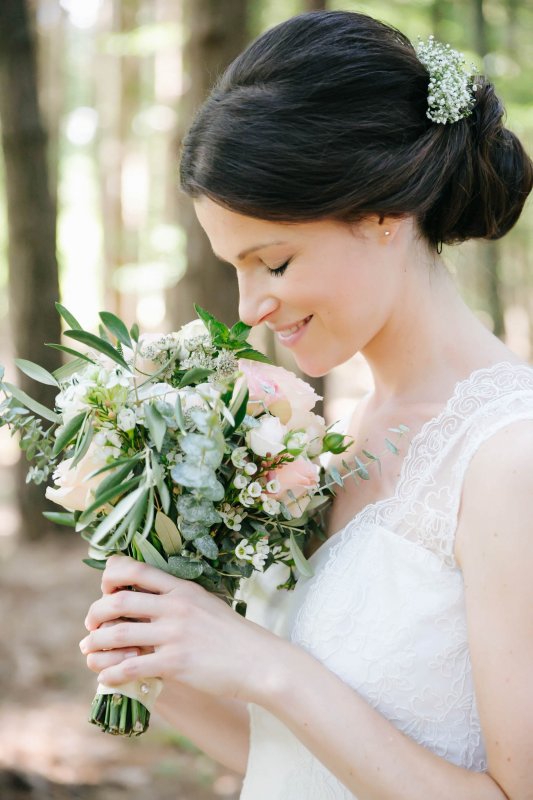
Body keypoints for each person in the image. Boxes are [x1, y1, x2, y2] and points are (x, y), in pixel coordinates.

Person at [79, 11, 533, 799]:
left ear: (382, 212)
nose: (251, 306)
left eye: (274, 263)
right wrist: (163, 661)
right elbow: (294, 757)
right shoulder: (335, 436)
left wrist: (266, 665)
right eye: (236, 270)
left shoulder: (508, 460)